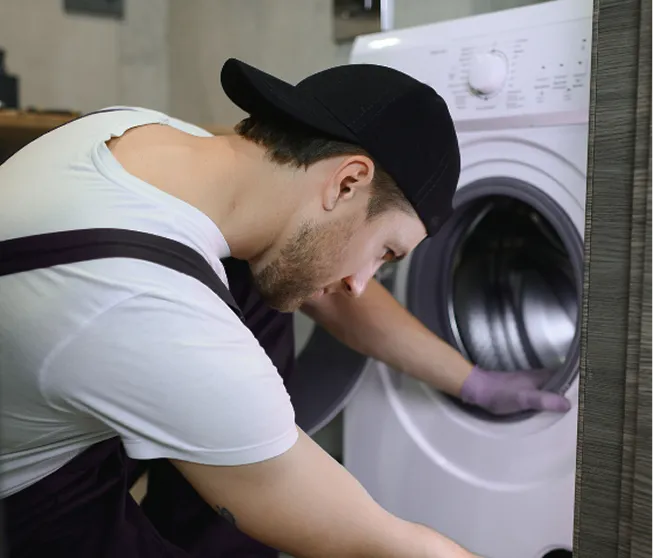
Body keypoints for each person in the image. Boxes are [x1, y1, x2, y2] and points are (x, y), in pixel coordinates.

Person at [0, 58, 571, 558]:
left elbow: (330, 291)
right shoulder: (142, 298)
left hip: (50, 384)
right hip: (25, 488)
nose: (359, 282)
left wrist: (471, 380)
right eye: (384, 252)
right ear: (347, 182)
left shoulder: (144, 136)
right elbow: (365, 536)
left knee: (270, 281)